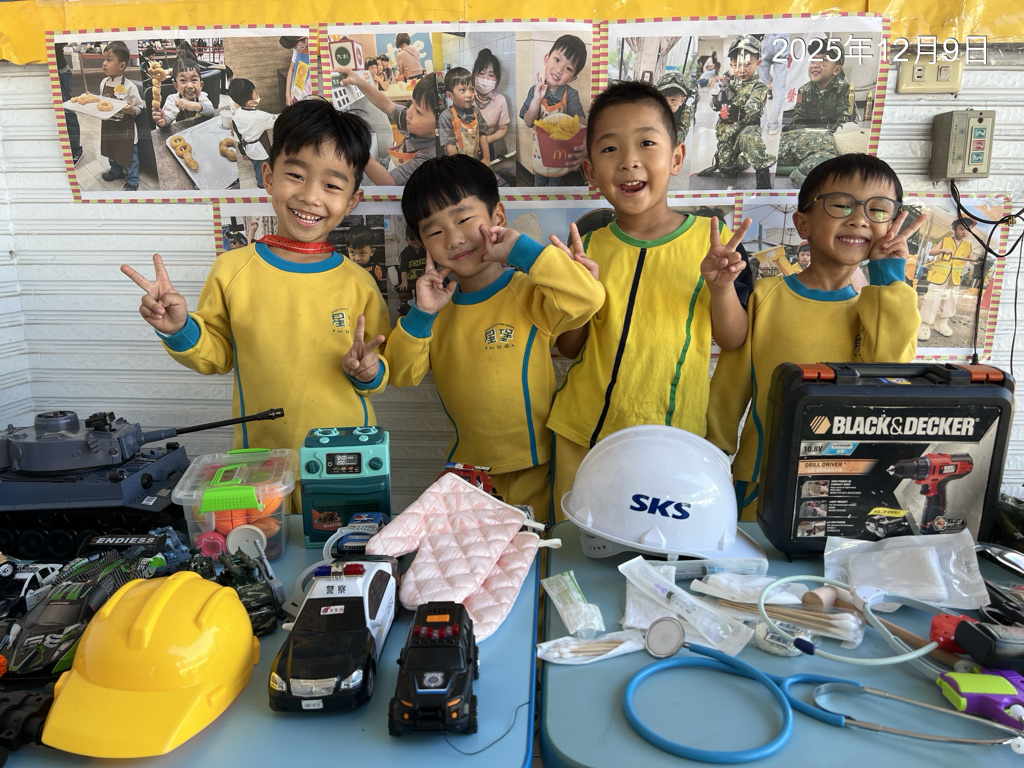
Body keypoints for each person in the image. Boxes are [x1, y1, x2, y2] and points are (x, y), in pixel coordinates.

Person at [120, 99, 389, 498]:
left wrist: (369, 372)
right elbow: (217, 356)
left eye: (332, 185)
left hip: (347, 462)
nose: (311, 196)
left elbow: (378, 373)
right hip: (261, 465)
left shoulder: (359, 283)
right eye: (296, 175)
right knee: (264, 538)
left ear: (351, 200)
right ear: (268, 176)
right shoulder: (232, 270)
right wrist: (179, 329)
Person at [546, 81, 754, 519]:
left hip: (672, 442)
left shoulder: (712, 242)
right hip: (581, 434)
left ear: (676, 158)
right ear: (590, 172)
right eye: (610, 149)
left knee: (657, 549)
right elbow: (569, 347)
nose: (629, 161)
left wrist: (720, 288)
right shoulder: (587, 246)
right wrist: (581, 296)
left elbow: (733, 339)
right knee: (577, 546)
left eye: (646, 143)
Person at [387, 155, 604, 520]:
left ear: (497, 217)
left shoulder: (527, 291)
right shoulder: (436, 308)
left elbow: (587, 299)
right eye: (435, 232)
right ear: (422, 243)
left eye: (463, 219)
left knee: (536, 548)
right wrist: (422, 314)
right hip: (468, 475)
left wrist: (523, 250)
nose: (454, 239)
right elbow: (401, 373)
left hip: (537, 467)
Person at [706, 154, 923, 520]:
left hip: (848, 486)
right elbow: (730, 387)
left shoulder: (880, 308)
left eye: (878, 210)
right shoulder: (767, 297)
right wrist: (710, 455)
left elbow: (892, 372)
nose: (859, 219)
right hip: (762, 477)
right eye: (841, 205)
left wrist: (888, 274)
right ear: (802, 223)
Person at [336, 68, 442, 186]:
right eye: (412, 103)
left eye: (418, 111)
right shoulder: (416, 123)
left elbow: (389, 182)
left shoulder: (430, 157)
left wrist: (358, 148)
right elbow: (387, 105)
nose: (409, 112)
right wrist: (358, 81)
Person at [699, 34, 775, 190]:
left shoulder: (759, 86)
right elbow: (714, 105)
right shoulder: (729, 84)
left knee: (751, 139)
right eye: (737, 65)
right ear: (731, 64)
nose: (742, 70)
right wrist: (718, 100)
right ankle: (743, 161)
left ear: (758, 63)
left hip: (746, 130)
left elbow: (754, 106)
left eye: (747, 64)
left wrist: (739, 112)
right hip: (727, 135)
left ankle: (762, 174)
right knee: (726, 170)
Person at [778, 38, 856, 188]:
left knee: (830, 154)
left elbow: (843, 122)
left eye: (823, 61)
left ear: (836, 70)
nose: (815, 65)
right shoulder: (804, 90)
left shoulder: (843, 88)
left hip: (829, 139)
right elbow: (797, 120)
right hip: (805, 137)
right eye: (813, 60)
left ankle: (805, 176)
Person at [519, 34, 588, 186]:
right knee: (538, 183)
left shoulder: (571, 95)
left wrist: (584, 142)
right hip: (539, 154)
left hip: (560, 156)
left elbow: (581, 124)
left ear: (573, 78)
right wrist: (536, 99)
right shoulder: (534, 91)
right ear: (546, 59)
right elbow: (529, 122)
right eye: (557, 59)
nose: (559, 69)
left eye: (568, 68)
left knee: (554, 186)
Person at [96, 41, 145, 192]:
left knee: (130, 156)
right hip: (109, 126)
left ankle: (132, 180)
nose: (104, 63)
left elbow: (140, 107)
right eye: (103, 59)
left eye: (109, 60)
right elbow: (102, 101)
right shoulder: (103, 82)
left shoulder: (130, 87)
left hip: (126, 130)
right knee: (112, 150)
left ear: (122, 65)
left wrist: (132, 110)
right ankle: (116, 171)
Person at [917, 217, 977, 341]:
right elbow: (931, 252)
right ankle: (924, 325)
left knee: (950, 301)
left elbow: (973, 260)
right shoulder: (945, 240)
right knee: (933, 299)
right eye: (962, 228)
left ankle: (941, 323)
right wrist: (943, 250)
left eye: (967, 229)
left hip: (954, 279)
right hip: (939, 277)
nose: (964, 232)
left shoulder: (968, 246)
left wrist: (976, 261)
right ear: (954, 227)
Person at [228, 78, 277, 189]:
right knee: (262, 166)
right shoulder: (260, 116)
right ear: (250, 102)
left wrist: (242, 150)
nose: (258, 95)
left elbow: (237, 134)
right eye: (256, 94)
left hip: (247, 148)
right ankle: (261, 183)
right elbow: (276, 120)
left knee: (255, 162)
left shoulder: (236, 114)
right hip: (259, 149)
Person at [438, 67, 489, 163]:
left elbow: (482, 135)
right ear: (450, 95)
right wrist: (459, 167)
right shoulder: (446, 117)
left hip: (475, 160)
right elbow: (451, 145)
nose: (469, 95)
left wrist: (486, 158)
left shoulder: (476, 112)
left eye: (472, 89)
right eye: (463, 90)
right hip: (455, 163)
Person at [152, 55, 214, 127]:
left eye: (194, 80)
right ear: (176, 86)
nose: (190, 86)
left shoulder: (202, 96)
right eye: (183, 80)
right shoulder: (173, 99)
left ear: (201, 85)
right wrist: (163, 121)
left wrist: (192, 105)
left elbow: (211, 111)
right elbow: (167, 118)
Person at [472, 48, 512, 158]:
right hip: (464, 146)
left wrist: (484, 141)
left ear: (497, 78)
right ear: (474, 74)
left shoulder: (500, 100)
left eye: (491, 75)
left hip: (487, 148)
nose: (486, 79)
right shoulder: (466, 96)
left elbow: (503, 129)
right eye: (481, 73)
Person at [55, 44, 83, 166]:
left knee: (67, 113)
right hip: (48, 70)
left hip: (59, 71)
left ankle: (75, 150)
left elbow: (61, 41)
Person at [757, 33, 789, 135]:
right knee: (779, 89)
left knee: (761, 87)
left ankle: (761, 123)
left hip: (766, 36)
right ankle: (773, 125)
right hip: (783, 37)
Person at [655, 70, 697, 145]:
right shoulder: (652, 108)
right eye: (663, 99)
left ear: (682, 101)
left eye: (673, 100)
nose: (667, 104)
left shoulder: (685, 112)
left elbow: (680, 136)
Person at [345, 223, 387, 296]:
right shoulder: (345, 268)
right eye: (352, 252)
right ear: (347, 250)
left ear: (372, 252)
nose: (357, 258)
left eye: (362, 253)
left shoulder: (375, 271)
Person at [397, 226, 427, 315]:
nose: (416, 240)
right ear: (407, 239)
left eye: (418, 237)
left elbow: (432, 266)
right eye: (412, 237)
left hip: (423, 279)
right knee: (405, 292)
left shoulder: (426, 251)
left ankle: (421, 307)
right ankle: (405, 306)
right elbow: (403, 268)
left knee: (422, 294)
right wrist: (404, 281)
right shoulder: (405, 253)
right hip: (410, 281)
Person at [280, 36, 312, 106]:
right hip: (297, 89)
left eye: (298, 47)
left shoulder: (317, 47)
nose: (297, 49)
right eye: (295, 48)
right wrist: (287, 94)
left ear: (304, 38)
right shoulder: (296, 49)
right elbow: (291, 70)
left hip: (310, 93)